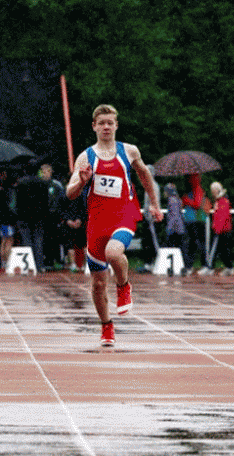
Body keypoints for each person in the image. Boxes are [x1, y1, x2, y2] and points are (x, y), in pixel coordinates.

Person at [65, 104, 162, 347]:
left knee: (113, 253)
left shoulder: (129, 151)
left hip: (124, 215)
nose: (106, 127)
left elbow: (144, 175)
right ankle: (107, 326)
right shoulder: (85, 157)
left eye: (110, 122)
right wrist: (82, 182)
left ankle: (123, 286)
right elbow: (69, 192)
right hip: (96, 222)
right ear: (94, 127)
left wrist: (154, 203)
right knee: (98, 283)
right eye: (102, 123)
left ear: (116, 125)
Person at [201, 181, 234, 276]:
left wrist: (217, 229)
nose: (212, 192)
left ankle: (209, 267)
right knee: (224, 251)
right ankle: (229, 267)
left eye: (212, 190)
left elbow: (223, 216)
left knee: (215, 249)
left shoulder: (223, 201)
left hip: (221, 230)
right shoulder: (219, 201)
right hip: (222, 229)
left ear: (216, 190)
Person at [163, 182, 189, 275]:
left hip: (175, 229)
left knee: (170, 248)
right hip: (180, 228)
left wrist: (170, 228)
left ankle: (171, 268)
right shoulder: (178, 199)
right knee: (182, 249)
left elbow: (174, 216)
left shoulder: (172, 200)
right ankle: (184, 268)